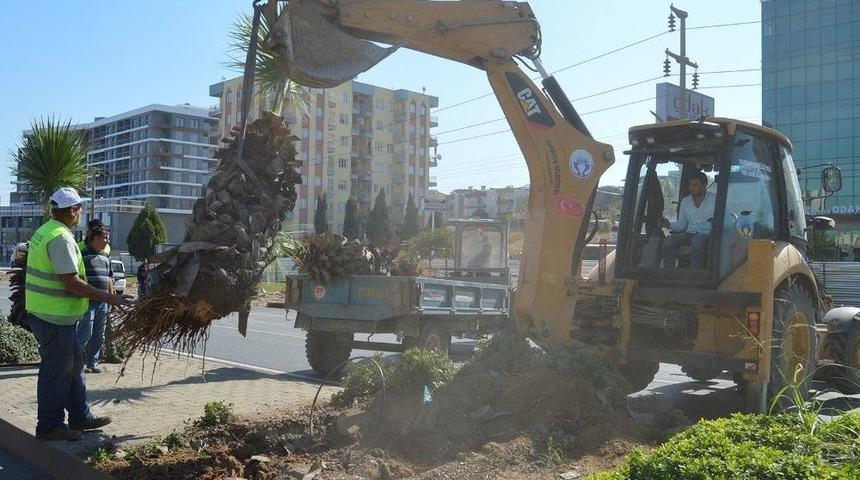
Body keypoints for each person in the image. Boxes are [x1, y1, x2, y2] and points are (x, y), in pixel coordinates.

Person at [25, 187, 129, 441]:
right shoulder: (60, 237)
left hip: (52, 315)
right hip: (54, 317)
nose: (80, 213)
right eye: (79, 208)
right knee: (56, 372)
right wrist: (109, 297)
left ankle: (80, 416)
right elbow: (70, 282)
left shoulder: (46, 231)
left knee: (73, 368)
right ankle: (49, 425)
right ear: (72, 211)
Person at [76, 224, 113, 374]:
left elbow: (109, 278)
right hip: (88, 300)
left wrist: (111, 297)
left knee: (99, 334)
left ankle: (93, 362)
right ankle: (76, 363)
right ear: (95, 238)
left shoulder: (105, 256)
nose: (107, 241)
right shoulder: (83, 254)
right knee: (85, 332)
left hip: (103, 302)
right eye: (105, 238)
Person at [660, 171, 716, 269]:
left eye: (695, 185)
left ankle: (695, 275)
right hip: (689, 234)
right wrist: (668, 224)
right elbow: (681, 225)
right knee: (668, 241)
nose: (691, 188)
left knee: (697, 243)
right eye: (690, 185)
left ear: (704, 185)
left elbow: (725, 220)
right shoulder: (685, 202)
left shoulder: (715, 199)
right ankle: (668, 273)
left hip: (707, 234)